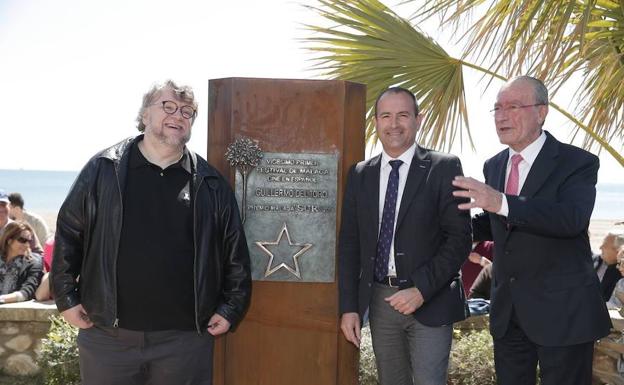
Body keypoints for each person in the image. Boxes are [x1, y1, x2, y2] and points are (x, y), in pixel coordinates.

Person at [51, 80, 252, 385]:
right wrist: (66, 297)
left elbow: (233, 249)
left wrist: (231, 306)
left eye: (187, 111)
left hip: (184, 342)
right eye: (168, 106)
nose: (178, 115)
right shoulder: (103, 169)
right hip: (109, 338)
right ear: (145, 115)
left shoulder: (210, 183)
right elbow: (69, 231)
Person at [452, 76, 611, 385]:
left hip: (563, 315)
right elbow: (498, 223)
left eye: (513, 106)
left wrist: (500, 201)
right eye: (497, 108)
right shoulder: (494, 165)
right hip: (508, 315)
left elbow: (570, 219)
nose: (501, 115)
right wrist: (452, 224)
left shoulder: (577, 162)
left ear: (541, 112)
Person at [339, 87, 471, 385]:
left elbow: (460, 239)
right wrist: (349, 308)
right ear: (376, 122)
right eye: (386, 116)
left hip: (431, 299)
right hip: (381, 301)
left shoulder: (443, 167)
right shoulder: (360, 174)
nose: (394, 123)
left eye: (403, 115)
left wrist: (421, 289)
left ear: (418, 120)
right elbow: (349, 245)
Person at [0, 221, 43, 304]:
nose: (27, 245)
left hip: (12, 310)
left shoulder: (33, 262)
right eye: (22, 240)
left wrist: (2, 299)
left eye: (29, 241)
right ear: (9, 240)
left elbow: (28, 291)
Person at [594, 228, 624, 301]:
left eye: (605, 245)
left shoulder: (621, 274)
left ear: (618, 251)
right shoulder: (594, 260)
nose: (600, 247)